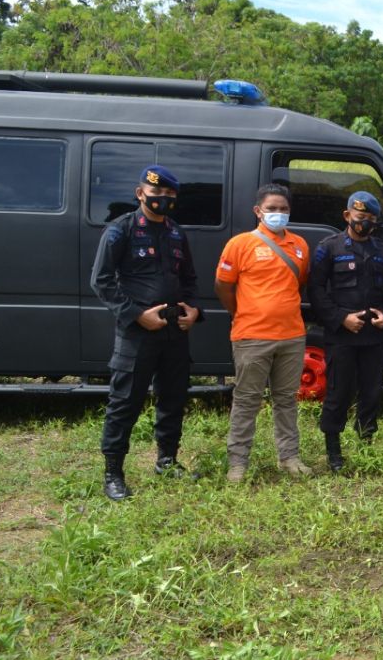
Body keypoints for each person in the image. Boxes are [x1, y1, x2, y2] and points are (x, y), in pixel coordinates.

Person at [90, 165, 202, 500]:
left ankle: (167, 460)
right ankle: (113, 474)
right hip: (137, 334)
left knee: (173, 397)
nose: (163, 200)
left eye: (170, 195)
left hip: (174, 332)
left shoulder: (176, 233)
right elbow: (102, 281)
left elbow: (190, 281)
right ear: (141, 194)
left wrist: (194, 310)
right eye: (157, 194)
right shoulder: (120, 230)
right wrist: (137, 315)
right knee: (124, 402)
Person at [215, 184, 312, 482]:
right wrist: (243, 313)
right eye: (272, 208)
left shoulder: (300, 246)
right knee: (247, 400)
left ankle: (290, 458)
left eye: (283, 209)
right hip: (251, 337)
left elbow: (299, 285)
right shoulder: (240, 244)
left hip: (292, 337)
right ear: (258, 211)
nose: (278, 214)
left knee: (286, 400)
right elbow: (223, 287)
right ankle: (238, 464)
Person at [307, 191, 383, 472]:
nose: (365, 223)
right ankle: (334, 453)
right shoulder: (329, 247)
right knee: (339, 392)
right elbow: (316, 291)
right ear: (347, 216)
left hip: (373, 337)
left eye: (371, 219)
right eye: (360, 218)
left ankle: (365, 445)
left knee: (372, 392)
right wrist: (341, 318)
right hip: (341, 336)